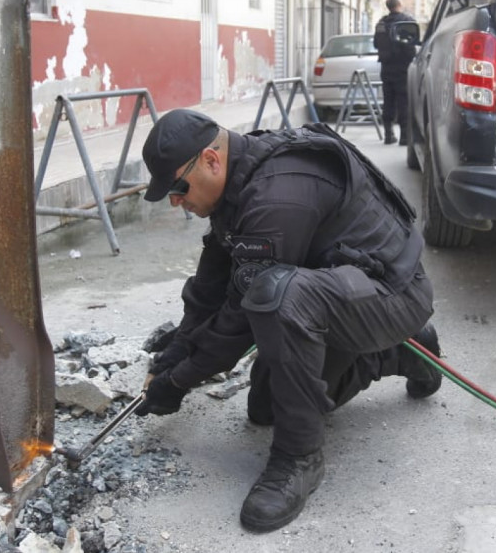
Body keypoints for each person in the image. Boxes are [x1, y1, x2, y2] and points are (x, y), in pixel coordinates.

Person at [137, 108, 442, 533]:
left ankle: (299, 458)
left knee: (275, 295)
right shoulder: (240, 182)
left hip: (392, 297)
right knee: (265, 408)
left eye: (177, 187)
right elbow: (210, 290)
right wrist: (175, 353)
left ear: (211, 160)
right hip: (342, 296)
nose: (175, 201)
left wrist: (178, 382)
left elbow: (239, 320)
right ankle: (396, 354)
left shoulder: (275, 197)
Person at [372, 0, 416, 146]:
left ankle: (388, 135)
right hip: (403, 68)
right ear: (399, 4)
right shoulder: (407, 21)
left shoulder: (381, 24)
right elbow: (412, 45)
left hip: (386, 68)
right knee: (403, 102)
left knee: (388, 100)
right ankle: (404, 136)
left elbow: (376, 44)